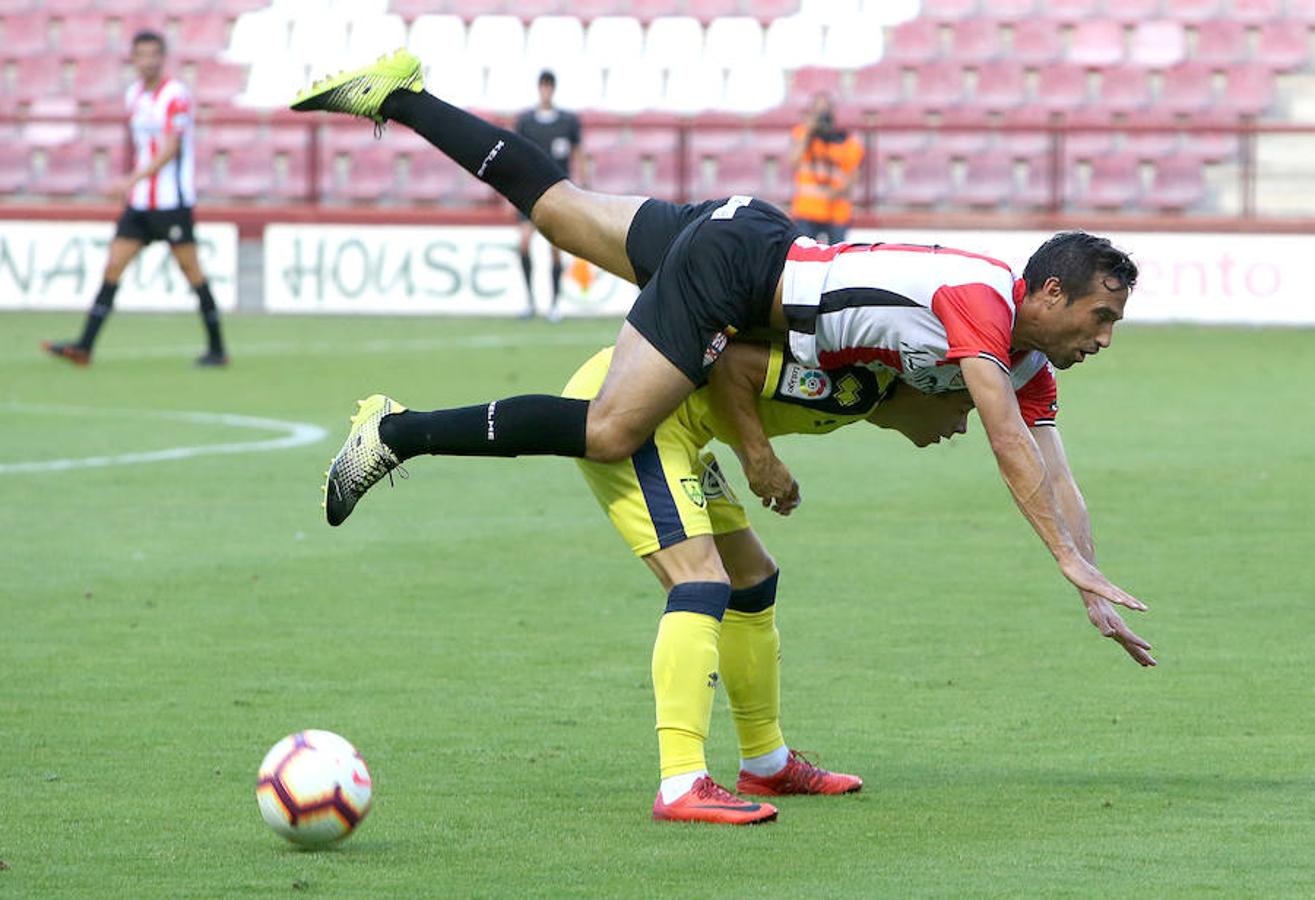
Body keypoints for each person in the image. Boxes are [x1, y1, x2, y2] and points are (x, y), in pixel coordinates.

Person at [292, 51, 1153, 685]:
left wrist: (1086, 580)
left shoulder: (1027, 359)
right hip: (738, 274)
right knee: (610, 427)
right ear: (1045, 292)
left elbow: (1054, 471)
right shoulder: (982, 303)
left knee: (557, 211)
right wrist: (1061, 560)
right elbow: (1005, 443)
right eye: (1099, 315)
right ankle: (396, 433)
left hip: (751, 233)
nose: (1103, 338)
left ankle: (402, 95)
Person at [42, 30, 228, 368]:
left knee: (192, 272)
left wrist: (129, 180)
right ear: (133, 58)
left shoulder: (176, 95)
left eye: (153, 54)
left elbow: (171, 149)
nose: (147, 61)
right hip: (141, 204)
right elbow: (145, 149)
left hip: (172, 204)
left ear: (162, 57)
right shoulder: (134, 96)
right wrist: (134, 183)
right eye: (141, 55)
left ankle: (217, 349)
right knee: (113, 267)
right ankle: (84, 346)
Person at [513, 69, 582, 321]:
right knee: (523, 242)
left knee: (555, 248)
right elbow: (515, 154)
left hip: (557, 192)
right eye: (543, 85)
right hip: (528, 191)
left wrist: (582, 183)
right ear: (538, 88)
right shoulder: (525, 121)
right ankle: (530, 301)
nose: (546, 90)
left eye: (549, 86)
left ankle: (554, 304)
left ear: (553, 89)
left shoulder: (568, 121)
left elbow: (577, 152)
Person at [787, 92, 864, 244]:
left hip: (837, 211)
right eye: (818, 110)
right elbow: (793, 161)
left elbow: (854, 174)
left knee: (836, 259)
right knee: (804, 258)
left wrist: (837, 192)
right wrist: (809, 131)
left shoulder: (846, 141)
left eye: (825, 110)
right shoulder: (801, 135)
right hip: (807, 209)